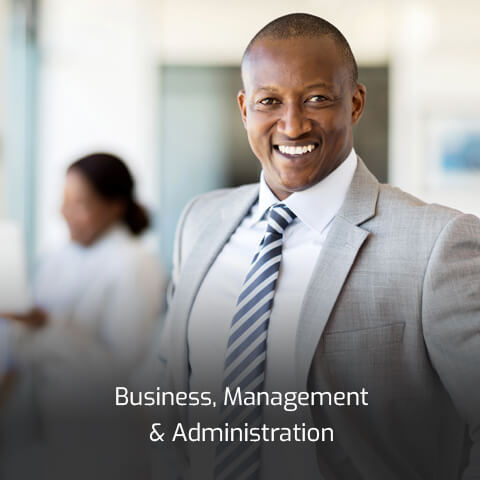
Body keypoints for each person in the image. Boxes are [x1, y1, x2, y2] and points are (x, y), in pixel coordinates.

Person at [160, 13, 480, 480]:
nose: (292, 125)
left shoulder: (436, 244)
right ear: (245, 108)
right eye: (270, 101)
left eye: (316, 99)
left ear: (354, 103)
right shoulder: (199, 223)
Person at [1, 152, 165, 480]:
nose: (64, 213)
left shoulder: (135, 265)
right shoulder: (56, 259)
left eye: (80, 203)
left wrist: (49, 328)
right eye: (64, 201)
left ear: (115, 205)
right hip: (42, 430)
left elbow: (124, 373)